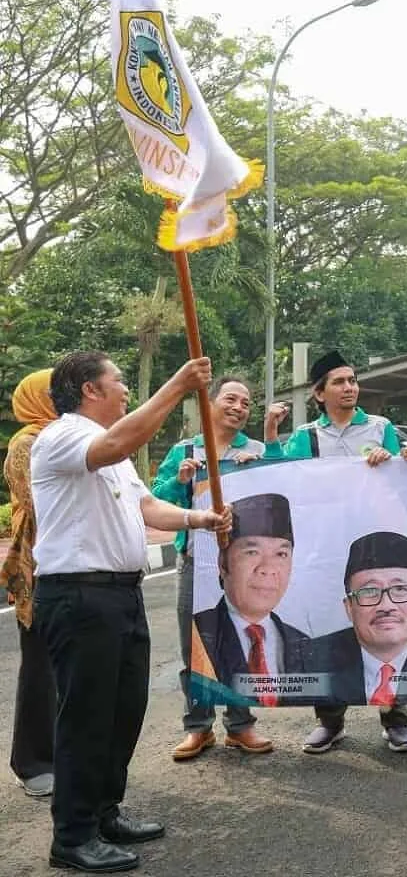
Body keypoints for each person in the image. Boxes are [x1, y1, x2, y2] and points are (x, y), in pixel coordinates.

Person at [31, 351, 231, 874]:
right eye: (118, 382)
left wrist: (198, 517)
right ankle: (71, 836)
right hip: (78, 597)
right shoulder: (64, 437)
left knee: (122, 712)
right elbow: (117, 441)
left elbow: (146, 508)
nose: (124, 389)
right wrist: (179, 385)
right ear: (89, 389)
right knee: (86, 718)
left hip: (121, 594)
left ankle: (103, 813)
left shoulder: (114, 452)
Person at [278, 349, 407, 755]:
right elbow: (290, 486)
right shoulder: (306, 438)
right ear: (319, 394)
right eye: (339, 382)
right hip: (323, 547)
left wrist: (395, 459)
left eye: (353, 380)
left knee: (385, 627)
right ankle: (330, 720)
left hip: (375, 545)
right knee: (326, 629)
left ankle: (394, 718)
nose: (350, 387)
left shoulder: (380, 428)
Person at [152, 378, 287, 762]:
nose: (239, 407)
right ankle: (198, 728)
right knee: (194, 645)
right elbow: (157, 501)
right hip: (197, 561)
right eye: (231, 399)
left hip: (243, 565)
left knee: (239, 642)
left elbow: (286, 487)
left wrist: (259, 467)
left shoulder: (257, 451)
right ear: (209, 404)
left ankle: (241, 725)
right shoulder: (186, 451)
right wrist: (180, 480)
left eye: (246, 403)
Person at [311, 531, 407, 702]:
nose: (386, 606)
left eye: (400, 589)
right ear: (349, 607)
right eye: (369, 591)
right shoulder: (311, 661)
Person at [192, 493, 312, 697]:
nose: (268, 568)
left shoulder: (302, 642)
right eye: (252, 552)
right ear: (223, 563)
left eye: (281, 554)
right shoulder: (200, 634)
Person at [1, 369, 57, 798]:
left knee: (65, 669)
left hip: (63, 565)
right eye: (55, 392)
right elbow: (42, 503)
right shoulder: (28, 442)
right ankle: (32, 762)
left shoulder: (65, 435)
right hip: (37, 564)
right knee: (40, 667)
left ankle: (59, 756)